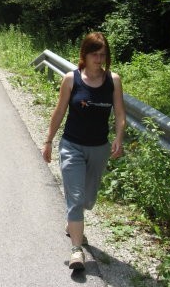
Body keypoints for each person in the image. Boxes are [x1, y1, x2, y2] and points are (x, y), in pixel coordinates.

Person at [42, 32, 125, 271]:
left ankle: (73, 223)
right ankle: (77, 250)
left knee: (88, 200)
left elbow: (120, 114)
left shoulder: (113, 80)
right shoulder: (71, 79)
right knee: (76, 199)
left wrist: (119, 136)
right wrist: (48, 141)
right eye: (95, 55)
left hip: (99, 149)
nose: (99, 59)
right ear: (84, 55)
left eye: (103, 55)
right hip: (72, 146)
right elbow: (59, 112)